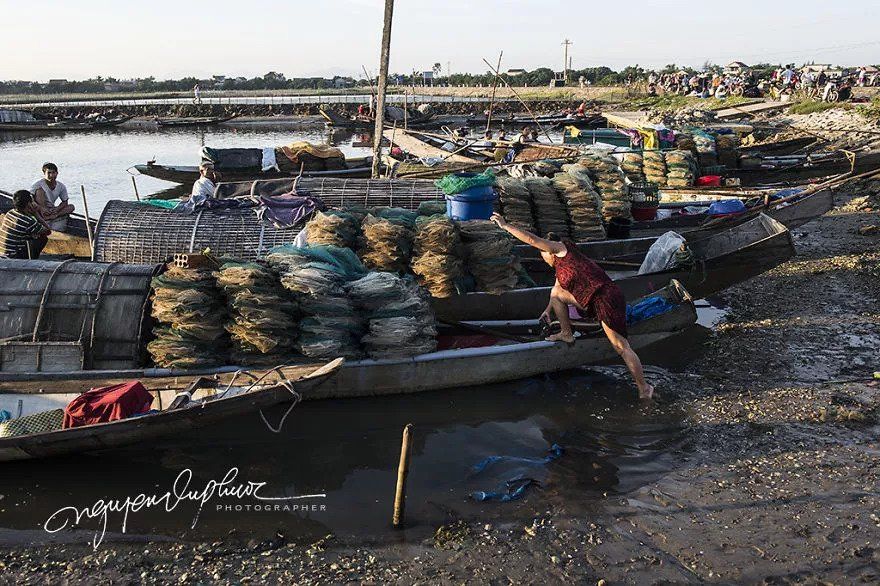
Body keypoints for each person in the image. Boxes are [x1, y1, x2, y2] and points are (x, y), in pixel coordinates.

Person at [490, 213, 655, 399]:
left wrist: (505, 225)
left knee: (620, 346)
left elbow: (531, 239)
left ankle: (644, 388)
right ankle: (566, 333)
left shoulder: (562, 250)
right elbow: (556, 291)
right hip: (594, 300)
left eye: (543, 254)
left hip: (606, 298)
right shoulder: (562, 269)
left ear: (548, 251)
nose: (544, 259)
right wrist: (547, 311)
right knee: (556, 294)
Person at [0, 190, 51, 259]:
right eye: (32, 201)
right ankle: (32, 260)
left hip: (2, 253)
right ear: (29, 204)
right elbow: (48, 230)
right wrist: (36, 214)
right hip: (12, 256)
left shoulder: (10, 213)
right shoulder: (28, 221)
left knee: (34, 234)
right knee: (42, 238)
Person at [30, 162, 75, 232]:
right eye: (49, 173)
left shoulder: (61, 186)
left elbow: (65, 202)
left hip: (51, 210)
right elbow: (30, 199)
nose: (51, 175)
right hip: (39, 209)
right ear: (44, 173)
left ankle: (53, 216)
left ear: (57, 173)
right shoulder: (37, 184)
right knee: (39, 191)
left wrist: (57, 210)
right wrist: (41, 208)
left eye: (53, 173)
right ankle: (44, 216)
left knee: (71, 207)